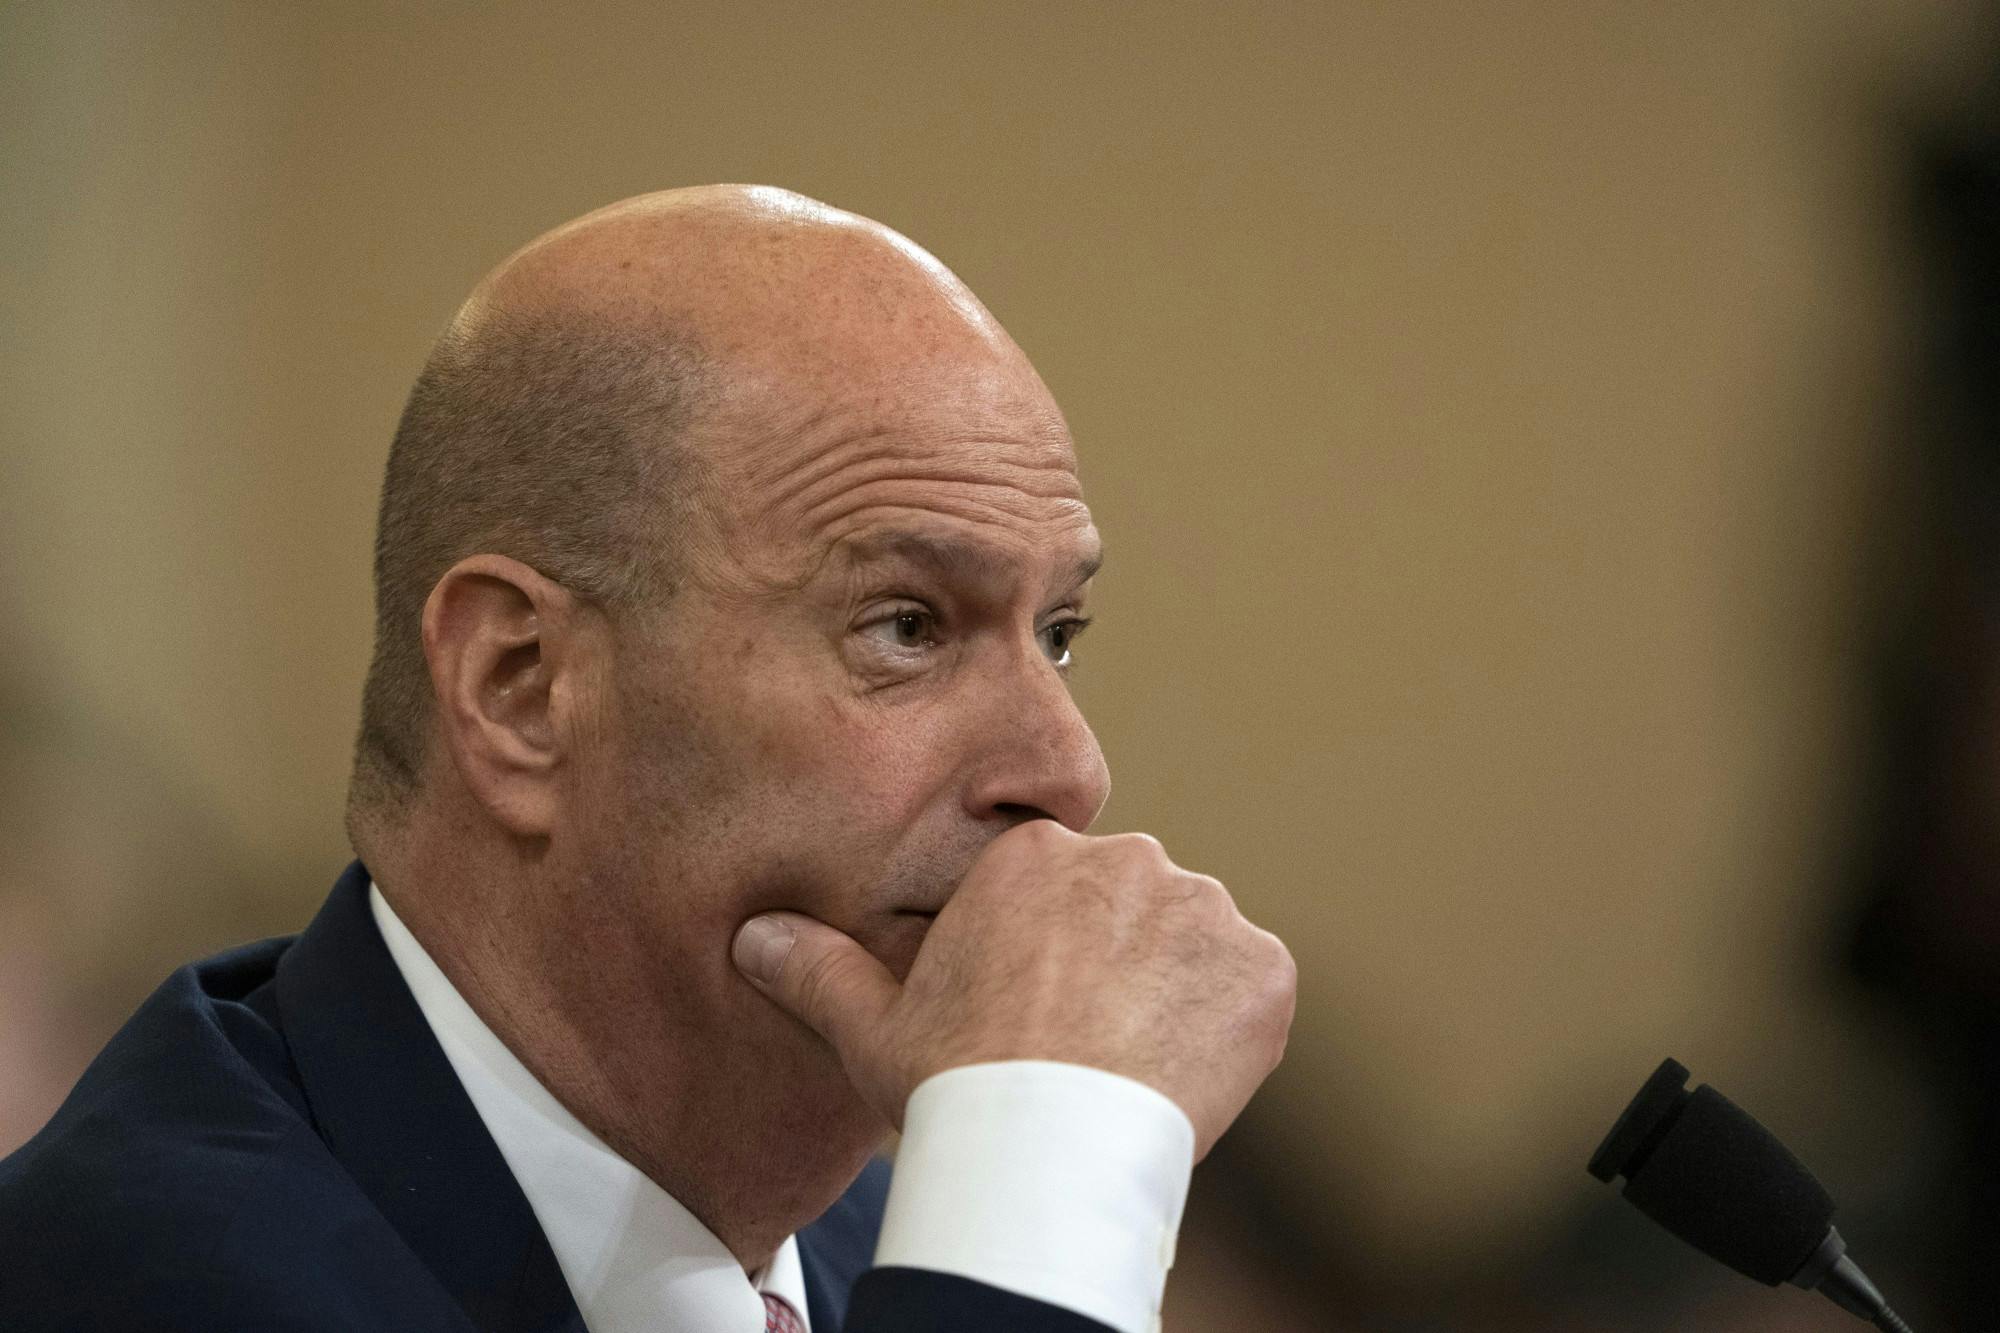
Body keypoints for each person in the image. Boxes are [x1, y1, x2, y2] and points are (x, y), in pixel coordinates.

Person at [0, 186, 1296, 1332]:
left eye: (1056, 633)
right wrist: (1042, 1165)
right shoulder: (153, 1269)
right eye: (905, 623)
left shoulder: (867, 1243)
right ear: (523, 689)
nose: (1066, 769)